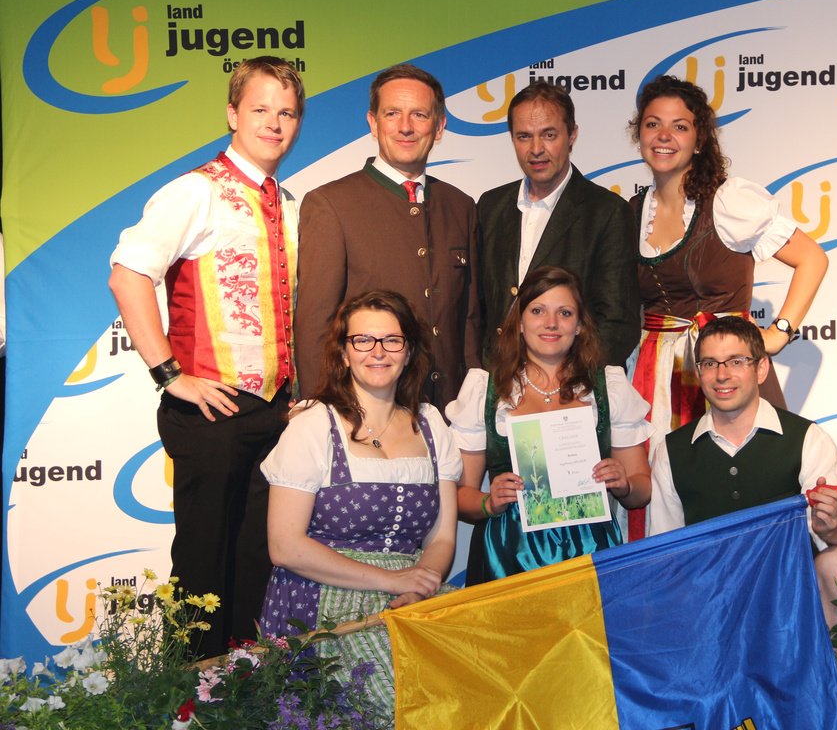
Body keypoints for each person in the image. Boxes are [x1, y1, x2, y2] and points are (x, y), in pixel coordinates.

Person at [108, 56, 305, 658]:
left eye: (287, 112)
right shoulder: (195, 190)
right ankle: (191, 694)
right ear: (232, 114)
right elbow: (127, 273)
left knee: (257, 561)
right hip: (212, 408)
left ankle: (246, 690)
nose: (274, 123)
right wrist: (170, 375)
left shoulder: (289, 203)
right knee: (202, 567)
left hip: (274, 412)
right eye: (261, 109)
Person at [625, 74, 829, 538]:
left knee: (741, 492)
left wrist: (777, 333)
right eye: (653, 124)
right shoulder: (632, 212)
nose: (664, 136)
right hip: (654, 374)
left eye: (679, 126)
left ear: (699, 139)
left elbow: (812, 259)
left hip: (723, 366)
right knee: (666, 498)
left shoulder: (728, 200)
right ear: (639, 134)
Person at [259, 290, 458, 715]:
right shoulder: (314, 425)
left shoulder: (431, 424)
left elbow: (442, 538)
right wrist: (391, 581)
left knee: (470, 690)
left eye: (392, 340)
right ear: (344, 353)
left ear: (409, 351)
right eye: (363, 340)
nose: (378, 351)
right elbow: (285, 546)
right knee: (394, 706)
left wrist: (418, 585)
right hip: (323, 600)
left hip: (409, 598)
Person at [646, 316, 837, 627]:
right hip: (710, 598)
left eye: (736, 361)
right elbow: (664, 552)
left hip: (791, 595)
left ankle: (835, 659)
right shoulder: (671, 450)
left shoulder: (807, 438)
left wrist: (833, 529)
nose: (722, 375)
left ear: (761, 369)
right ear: (698, 373)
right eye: (710, 364)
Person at [447, 266, 651, 585]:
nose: (551, 323)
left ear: (580, 325)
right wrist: (489, 502)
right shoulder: (484, 390)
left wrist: (623, 484)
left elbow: (642, 490)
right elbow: (459, 496)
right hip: (508, 553)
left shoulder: (609, 387)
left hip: (590, 550)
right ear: (519, 322)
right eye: (538, 311)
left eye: (565, 313)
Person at [295, 63, 480, 411]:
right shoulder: (331, 204)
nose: (406, 127)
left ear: (439, 126)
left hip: (451, 412)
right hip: (366, 412)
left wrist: (473, 403)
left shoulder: (460, 205)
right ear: (373, 122)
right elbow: (315, 327)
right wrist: (324, 411)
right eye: (392, 113)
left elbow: (468, 322)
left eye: (419, 115)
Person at [477, 82, 639, 367]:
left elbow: (617, 324)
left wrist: (564, 382)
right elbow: (478, 310)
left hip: (572, 385)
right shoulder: (490, 206)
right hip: (497, 379)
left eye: (549, 135)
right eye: (524, 136)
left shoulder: (607, 212)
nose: (536, 149)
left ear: (572, 134)